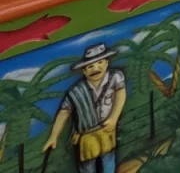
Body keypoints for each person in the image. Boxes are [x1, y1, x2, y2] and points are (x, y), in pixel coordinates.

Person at [42, 43, 127, 173]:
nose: (95, 68)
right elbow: (64, 112)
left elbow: (121, 93)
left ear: (107, 63)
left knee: (108, 162)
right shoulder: (76, 91)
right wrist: (53, 136)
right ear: (84, 70)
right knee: (87, 167)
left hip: (107, 130)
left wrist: (114, 118)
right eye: (90, 66)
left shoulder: (115, 77)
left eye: (100, 62)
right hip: (87, 136)